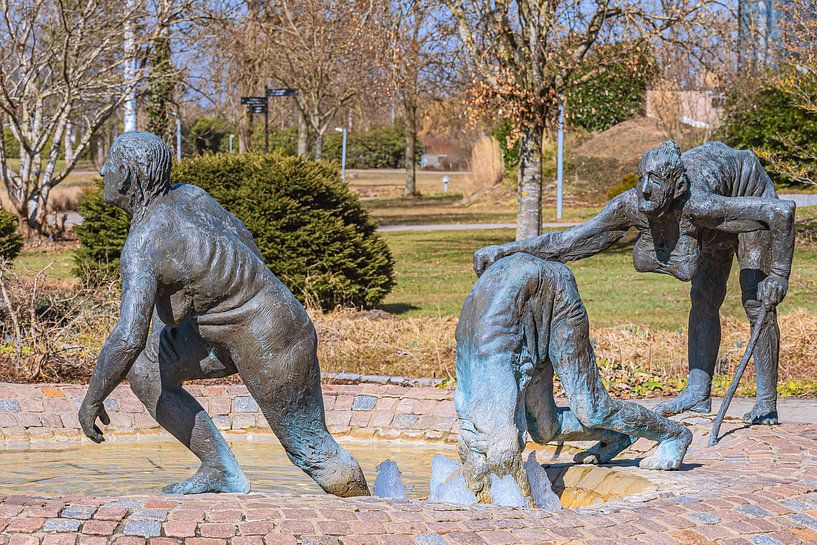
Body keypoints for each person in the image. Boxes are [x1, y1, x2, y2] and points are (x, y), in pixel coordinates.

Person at [78, 132, 369, 497]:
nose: (102, 170)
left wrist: (92, 398)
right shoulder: (190, 195)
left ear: (127, 177)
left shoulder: (143, 245)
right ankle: (219, 469)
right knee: (146, 369)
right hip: (229, 327)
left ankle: (369, 515)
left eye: (111, 164)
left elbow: (128, 337)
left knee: (312, 450)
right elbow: (243, 237)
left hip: (271, 334)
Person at [474, 141, 795, 424]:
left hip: (746, 189)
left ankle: (766, 404)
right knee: (704, 296)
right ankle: (698, 394)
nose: (644, 189)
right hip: (713, 206)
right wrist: (506, 250)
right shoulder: (631, 206)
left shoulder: (700, 205)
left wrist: (779, 274)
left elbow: (780, 213)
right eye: (641, 178)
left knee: (757, 301)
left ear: (675, 188)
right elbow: (567, 242)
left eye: (654, 181)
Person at [456, 253, 692, 502]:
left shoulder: (498, 385)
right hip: (520, 318)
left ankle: (673, 435)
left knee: (593, 409)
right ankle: (616, 435)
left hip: (553, 295)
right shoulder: (469, 399)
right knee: (544, 429)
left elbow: (506, 448)